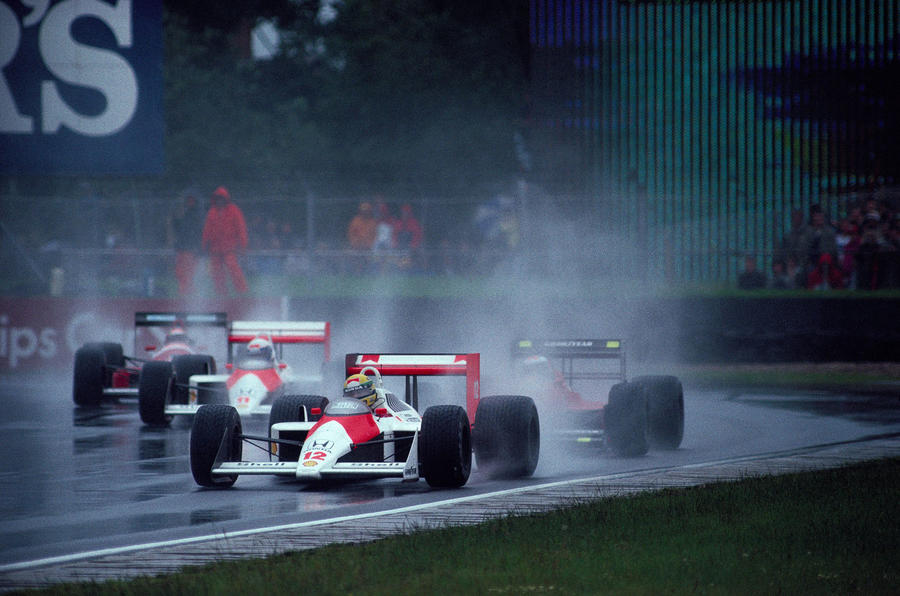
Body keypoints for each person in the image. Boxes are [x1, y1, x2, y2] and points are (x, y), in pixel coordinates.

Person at [201, 186, 249, 295]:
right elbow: (207, 230)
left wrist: (243, 245)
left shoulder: (234, 210)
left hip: (230, 247)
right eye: (217, 198)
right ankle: (221, 294)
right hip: (215, 248)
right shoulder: (212, 212)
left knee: (233, 268)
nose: (219, 201)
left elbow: (241, 228)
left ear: (225, 199)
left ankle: (242, 291)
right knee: (216, 273)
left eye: (221, 198)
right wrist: (204, 245)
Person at [167, 189, 204, 295]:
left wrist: (197, 246)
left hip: (190, 248)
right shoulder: (184, 214)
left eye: (191, 201)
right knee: (180, 271)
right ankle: (185, 291)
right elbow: (178, 228)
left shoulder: (197, 215)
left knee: (188, 271)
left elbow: (197, 232)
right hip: (182, 247)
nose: (189, 203)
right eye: (188, 200)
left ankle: (188, 292)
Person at [346, 202, 377, 271]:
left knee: (370, 256)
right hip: (356, 247)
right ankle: (353, 272)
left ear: (369, 211)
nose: (365, 213)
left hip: (368, 248)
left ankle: (368, 272)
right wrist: (355, 243)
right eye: (363, 211)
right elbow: (350, 235)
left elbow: (375, 237)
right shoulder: (355, 221)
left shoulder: (373, 222)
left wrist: (368, 245)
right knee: (349, 254)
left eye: (367, 211)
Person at [393, 203, 423, 271]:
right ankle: (398, 268)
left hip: (410, 246)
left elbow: (418, 236)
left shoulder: (414, 223)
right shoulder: (398, 223)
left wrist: (413, 245)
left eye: (406, 212)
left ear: (409, 213)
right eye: (403, 212)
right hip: (399, 246)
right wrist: (396, 244)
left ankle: (406, 268)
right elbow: (394, 235)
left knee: (407, 254)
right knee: (396, 254)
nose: (404, 214)